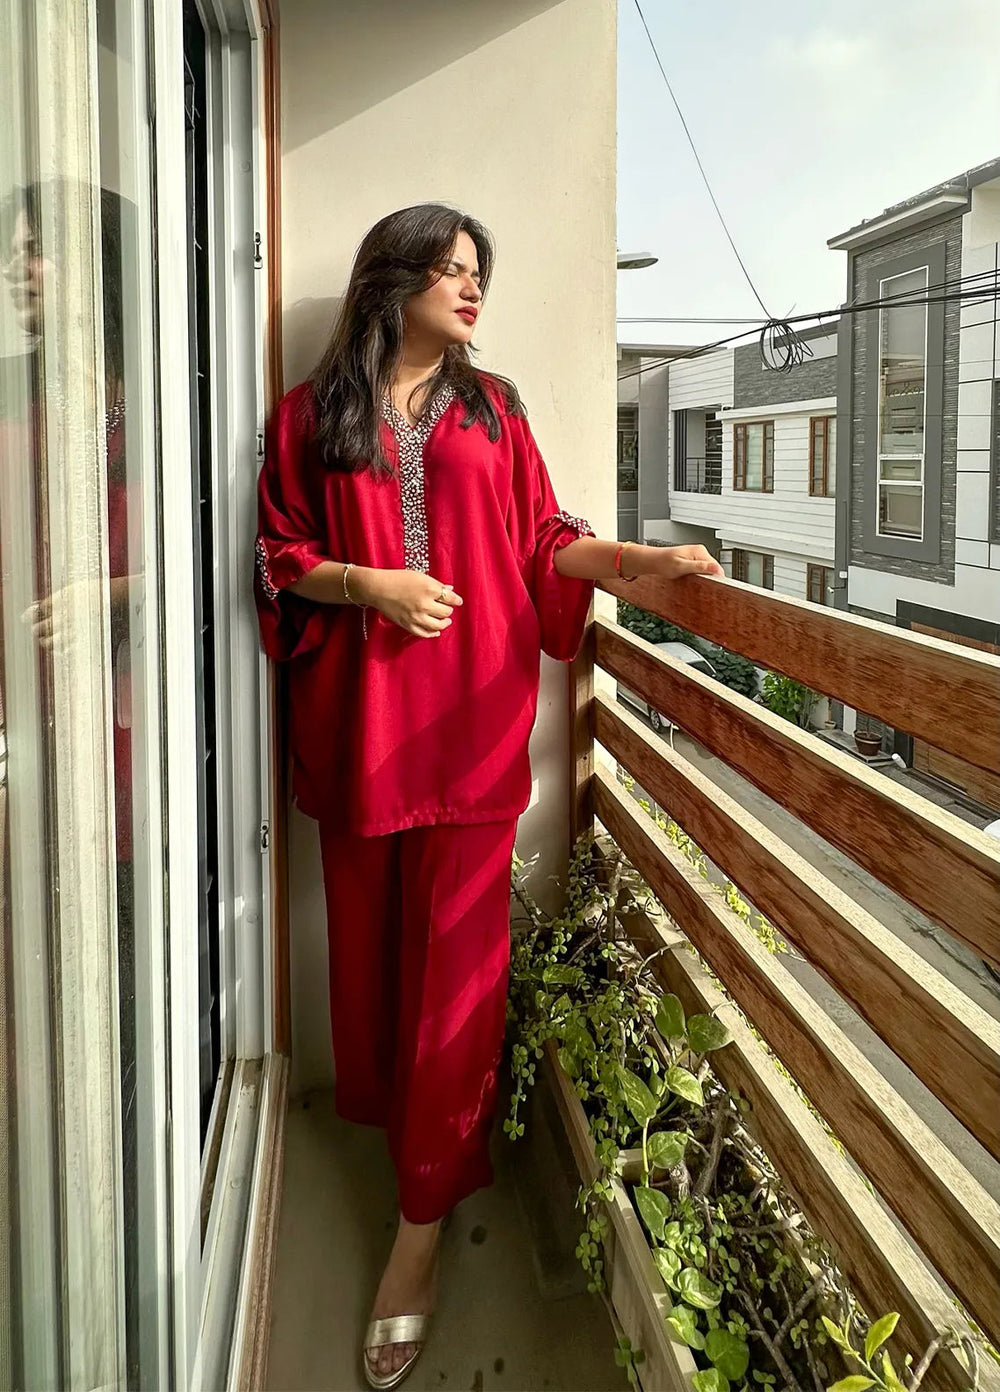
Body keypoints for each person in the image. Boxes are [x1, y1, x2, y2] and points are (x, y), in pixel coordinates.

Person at [253, 202, 722, 1389]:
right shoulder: (309, 417)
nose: (471, 289)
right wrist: (368, 584)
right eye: (450, 270)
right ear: (392, 279)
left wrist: (642, 562)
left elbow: (543, 542)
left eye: (479, 273)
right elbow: (278, 556)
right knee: (373, 970)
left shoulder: (493, 409)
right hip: (361, 737)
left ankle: (417, 1235)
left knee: (458, 995)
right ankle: (402, 1149)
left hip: (470, 735)